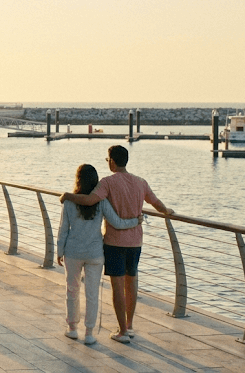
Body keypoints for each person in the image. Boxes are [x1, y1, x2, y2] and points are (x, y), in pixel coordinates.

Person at [60, 145, 173, 343]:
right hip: (135, 241)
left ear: (112, 161)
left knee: (115, 286)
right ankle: (128, 326)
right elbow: (155, 202)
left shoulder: (107, 183)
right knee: (131, 283)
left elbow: (89, 201)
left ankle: (117, 331)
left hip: (113, 243)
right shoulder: (141, 182)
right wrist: (167, 212)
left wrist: (68, 196)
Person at [57, 164, 143, 345]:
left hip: (73, 252)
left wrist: (59, 251)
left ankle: (72, 328)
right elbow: (118, 223)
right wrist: (136, 220)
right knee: (92, 293)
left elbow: (63, 230)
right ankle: (89, 333)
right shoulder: (102, 202)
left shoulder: (69, 201)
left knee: (72, 290)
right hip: (95, 253)